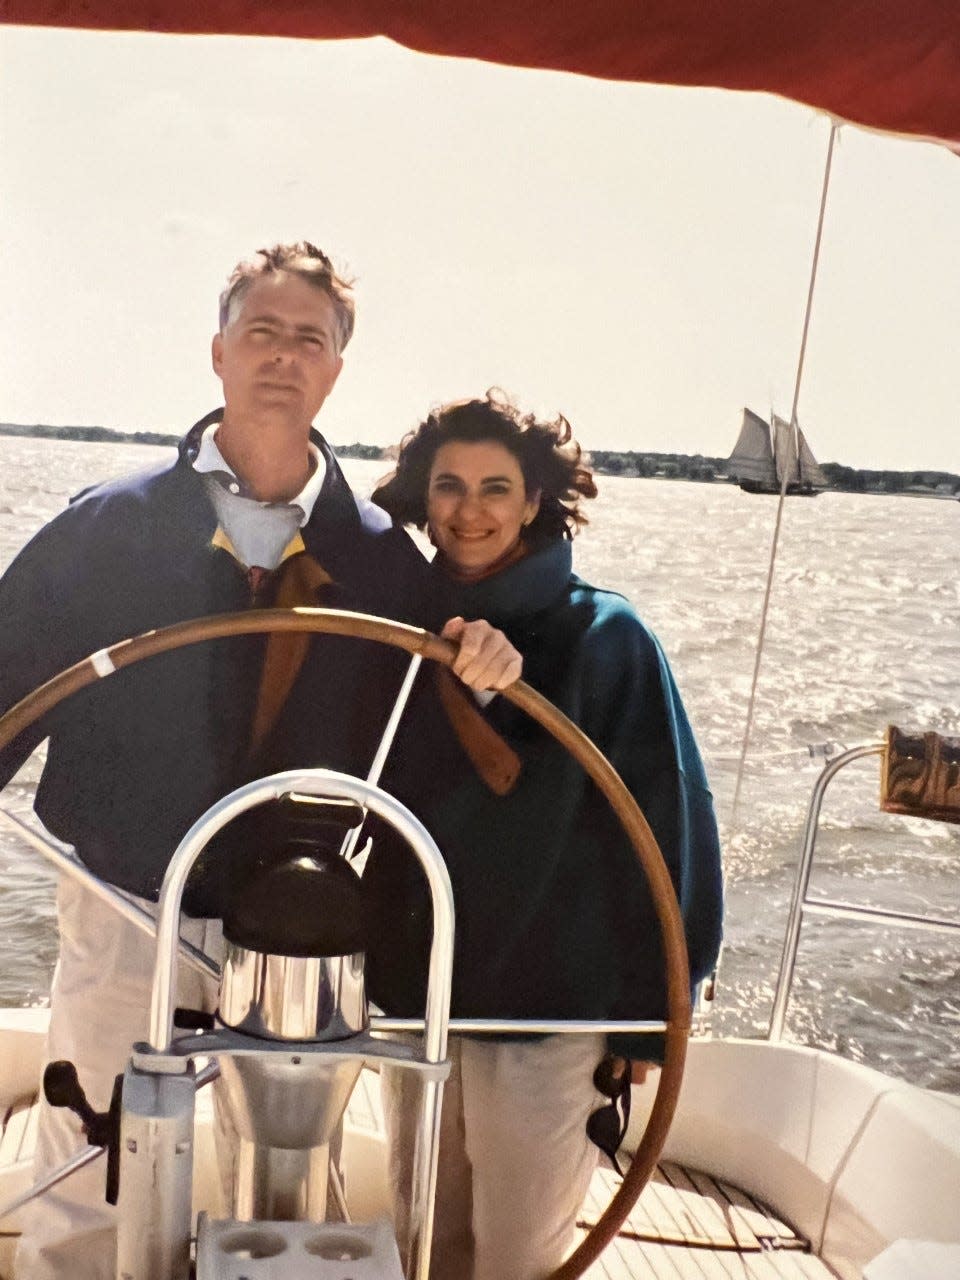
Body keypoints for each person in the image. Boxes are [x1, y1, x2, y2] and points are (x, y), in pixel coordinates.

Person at [0, 244, 521, 1280]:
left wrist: (485, 663)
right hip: (120, 893)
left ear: (336, 371)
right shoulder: (107, 527)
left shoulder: (381, 558)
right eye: (262, 332)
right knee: (93, 1148)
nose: (284, 357)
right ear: (218, 352)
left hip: (299, 926)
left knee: (292, 1177)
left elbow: (434, 737)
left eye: (309, 340)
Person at [366, 391, 723, 1280]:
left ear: (534, 502)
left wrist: (652, 1027)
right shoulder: (393, 627)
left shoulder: (609, 637)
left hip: (549, 1001)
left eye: (497, 487)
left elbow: (670, 833)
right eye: (448, 486)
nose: (470, 510)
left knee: (518, 1256)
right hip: (421, 992)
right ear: (422, 497)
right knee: (424, 1243)